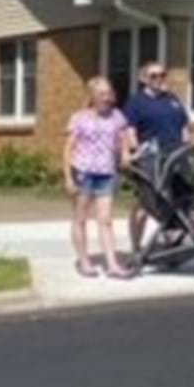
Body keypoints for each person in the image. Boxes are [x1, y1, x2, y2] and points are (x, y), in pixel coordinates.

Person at [65, 77, 131, 278]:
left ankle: (112, 264)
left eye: (109, 94)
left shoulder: (117, 116)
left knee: (106, 220)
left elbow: (123, 138)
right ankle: (84, 261)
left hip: (106, 172)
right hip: (83, 172)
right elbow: (68, 148)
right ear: (92, 96)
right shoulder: (80, 117)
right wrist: (68, 176)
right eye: (102, 94)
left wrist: (126, 153)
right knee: (81, 218)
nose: (107, 98)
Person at [122, 60, 190, 253]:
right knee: (146, 203)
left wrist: (187, 150)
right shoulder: (136, 103)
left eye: (162, 74)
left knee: (178, 201)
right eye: (154, 76)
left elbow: (184, 126)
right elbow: (129, 130)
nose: (159, 79)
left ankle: (173, 240)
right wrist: (133, 153)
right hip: (151, 158)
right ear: (143, 79)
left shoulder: (172, 99)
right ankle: (136, 247)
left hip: (176, 157)